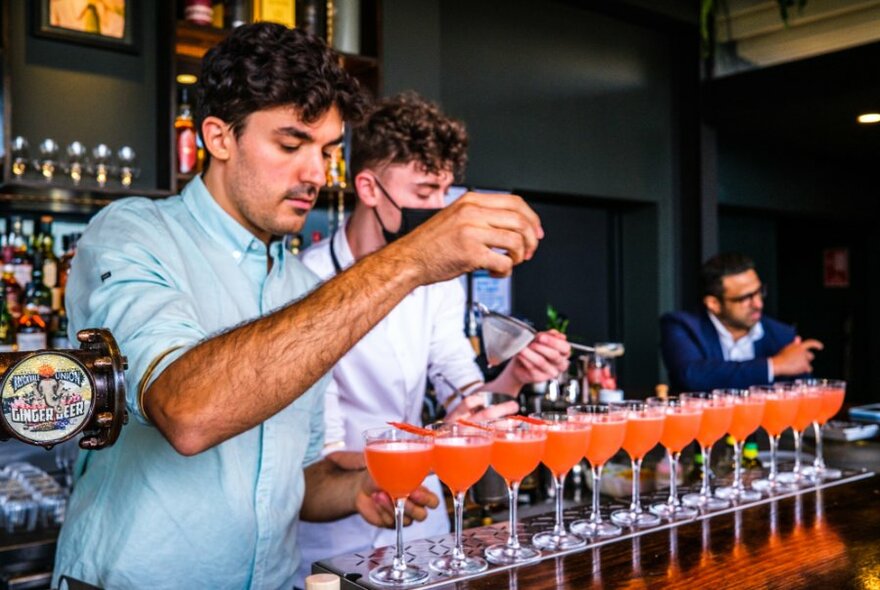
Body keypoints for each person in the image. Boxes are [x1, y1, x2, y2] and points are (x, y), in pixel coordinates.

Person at [52, 24, 544, 590]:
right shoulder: (133, 233)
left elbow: (299, 480)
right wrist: (412, 259)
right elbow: (186, 411)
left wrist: (358, 491)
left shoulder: (295, 283)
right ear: (218, 137)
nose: (316, 174)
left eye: (327, 151)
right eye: (291, 144)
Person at [296, 93, 570, 582]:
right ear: (369, 188)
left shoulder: (441, 279)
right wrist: (435, 443)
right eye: (424, 193)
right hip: (341, 524)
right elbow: (326, 449)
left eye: (445, 193)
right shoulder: (307, 284)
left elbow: (460, 387)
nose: (440, 211)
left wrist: (511, 378)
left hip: (427, 519)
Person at [660, 252, 823, 392]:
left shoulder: (782, 334)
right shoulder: (682, 326)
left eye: (759, 292)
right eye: (746, 298)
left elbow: (804, 395)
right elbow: (692, 375)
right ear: (714, 304)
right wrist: (774, 365)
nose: (758, 304)